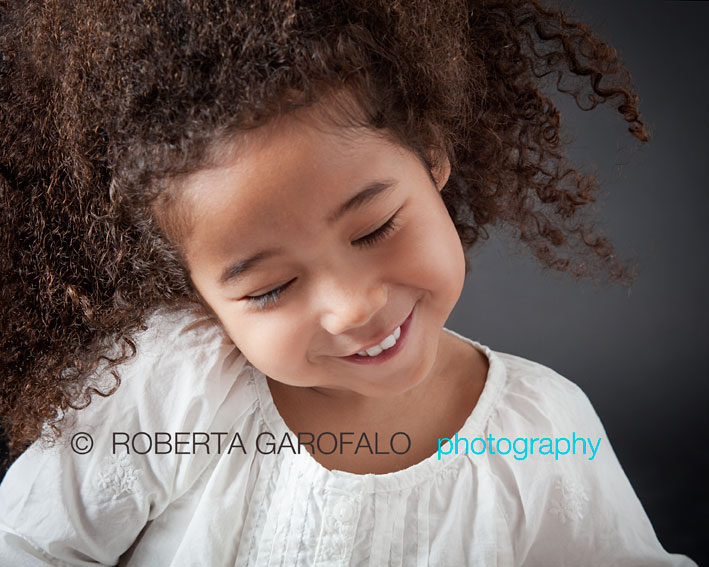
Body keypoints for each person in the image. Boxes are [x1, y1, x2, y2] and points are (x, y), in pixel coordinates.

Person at [0, 0, 698, 565]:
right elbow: (27, 543)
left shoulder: (541, 429)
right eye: (270, 287)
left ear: (429, 154)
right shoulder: (174, 385)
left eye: (373, 229)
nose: (352, 306)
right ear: (193, 291)